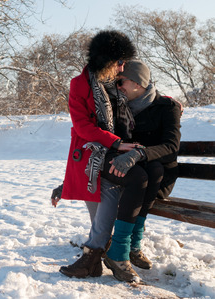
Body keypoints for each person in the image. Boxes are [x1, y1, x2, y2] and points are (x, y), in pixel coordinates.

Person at [51, 30, 137, 278]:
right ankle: (96, 256)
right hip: (91, 149)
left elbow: (141, 91)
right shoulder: (79, 84)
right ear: (105, 60)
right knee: (96, 201)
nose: (122, 67)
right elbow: (82, 126)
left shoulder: (117, 83)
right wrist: (115, 142)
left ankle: (93, 254)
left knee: (105, 193)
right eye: (119, 61)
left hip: (114, 151)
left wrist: (167, 101)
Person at [103, 60, 181, 282]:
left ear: (137, 83)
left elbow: (171, 146)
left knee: (154, 170)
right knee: (144, 174)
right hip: (130, 172)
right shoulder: (118, 107)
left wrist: (140, 154)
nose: (118, 87)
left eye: (121, 82)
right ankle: (125, 248)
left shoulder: (167, 107)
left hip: (157, 176)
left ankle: (128, 246)